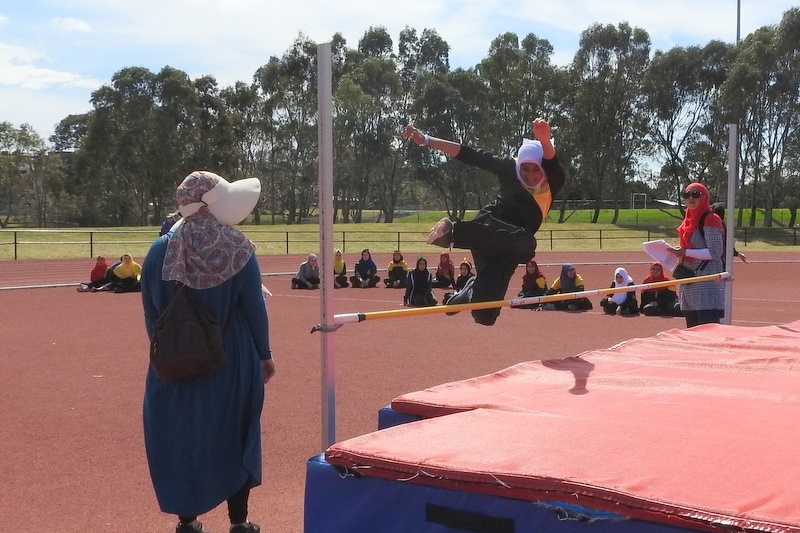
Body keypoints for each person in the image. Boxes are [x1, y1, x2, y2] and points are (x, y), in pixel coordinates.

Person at [141, 170, 274, 533]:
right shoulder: (238, 247)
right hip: (232, 357)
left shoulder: (158, 250)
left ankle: (188, 519)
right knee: (237, 432)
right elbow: (254, 309)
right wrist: (265, 354)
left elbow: (153, 315)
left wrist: (170, 349)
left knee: (181, 435)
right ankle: (240, 521)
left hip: (174, 361)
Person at [403, 118, 566, 326]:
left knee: (486, 316)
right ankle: (453, 233)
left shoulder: (553, 180)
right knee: (528, 245)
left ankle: (471, 289)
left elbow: (551, 159)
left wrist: (544, 140)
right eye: (525, 169)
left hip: (508, 248)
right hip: (486, 230)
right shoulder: (509, 168)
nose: (530, 176)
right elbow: (471, 155)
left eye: (536, 170)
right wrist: (426, 140)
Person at [668, 182, 725, 327]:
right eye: (687, 195)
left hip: (706, 284)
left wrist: (685, 252)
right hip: (688, 282)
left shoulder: (710, 218)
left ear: (704, 196)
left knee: (708, 331)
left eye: (696, 194)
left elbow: (715, 252)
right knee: (692, 330)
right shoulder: (687, 219)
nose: (691, 198)